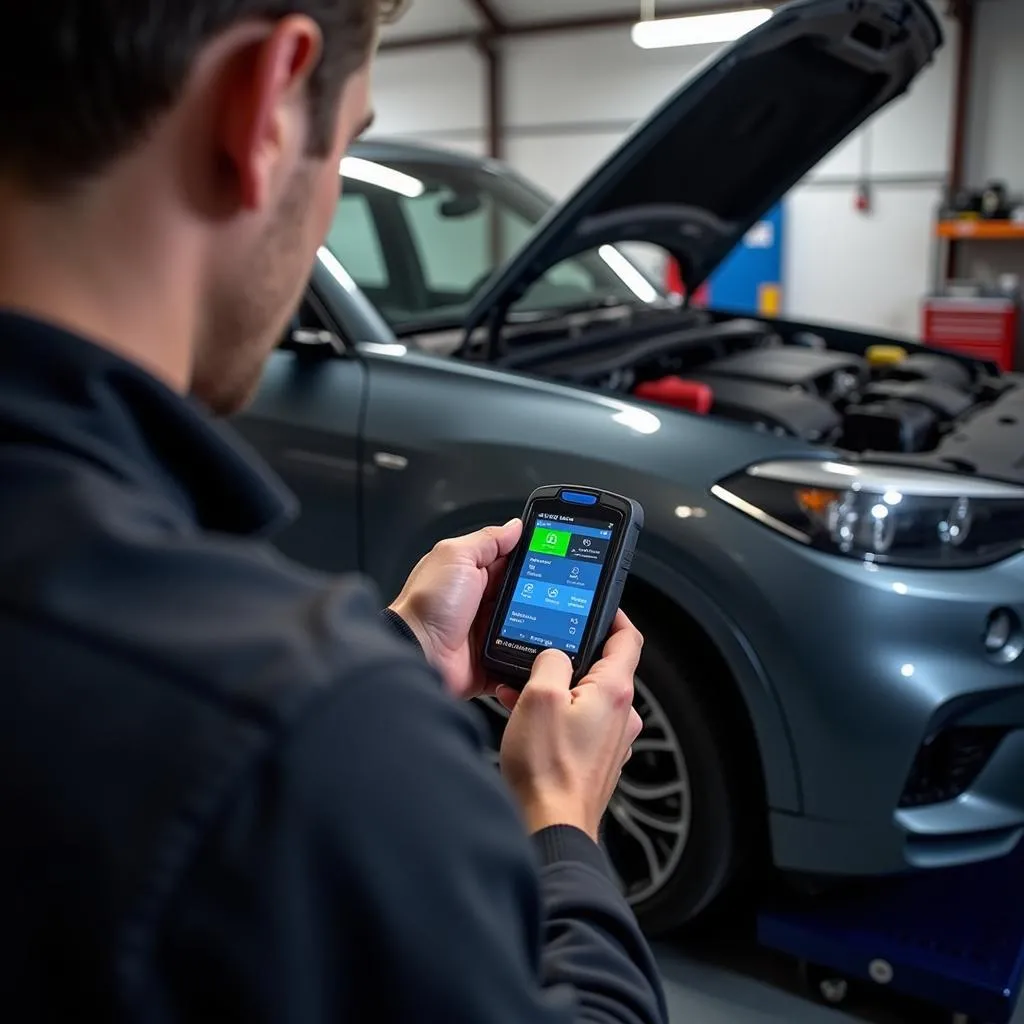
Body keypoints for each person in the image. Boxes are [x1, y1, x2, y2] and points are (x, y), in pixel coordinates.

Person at [0, 2, 668, 1022]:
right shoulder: (302, 739)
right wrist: (564, 827)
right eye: (344, 149)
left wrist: (399, 654)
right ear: (267, 104)